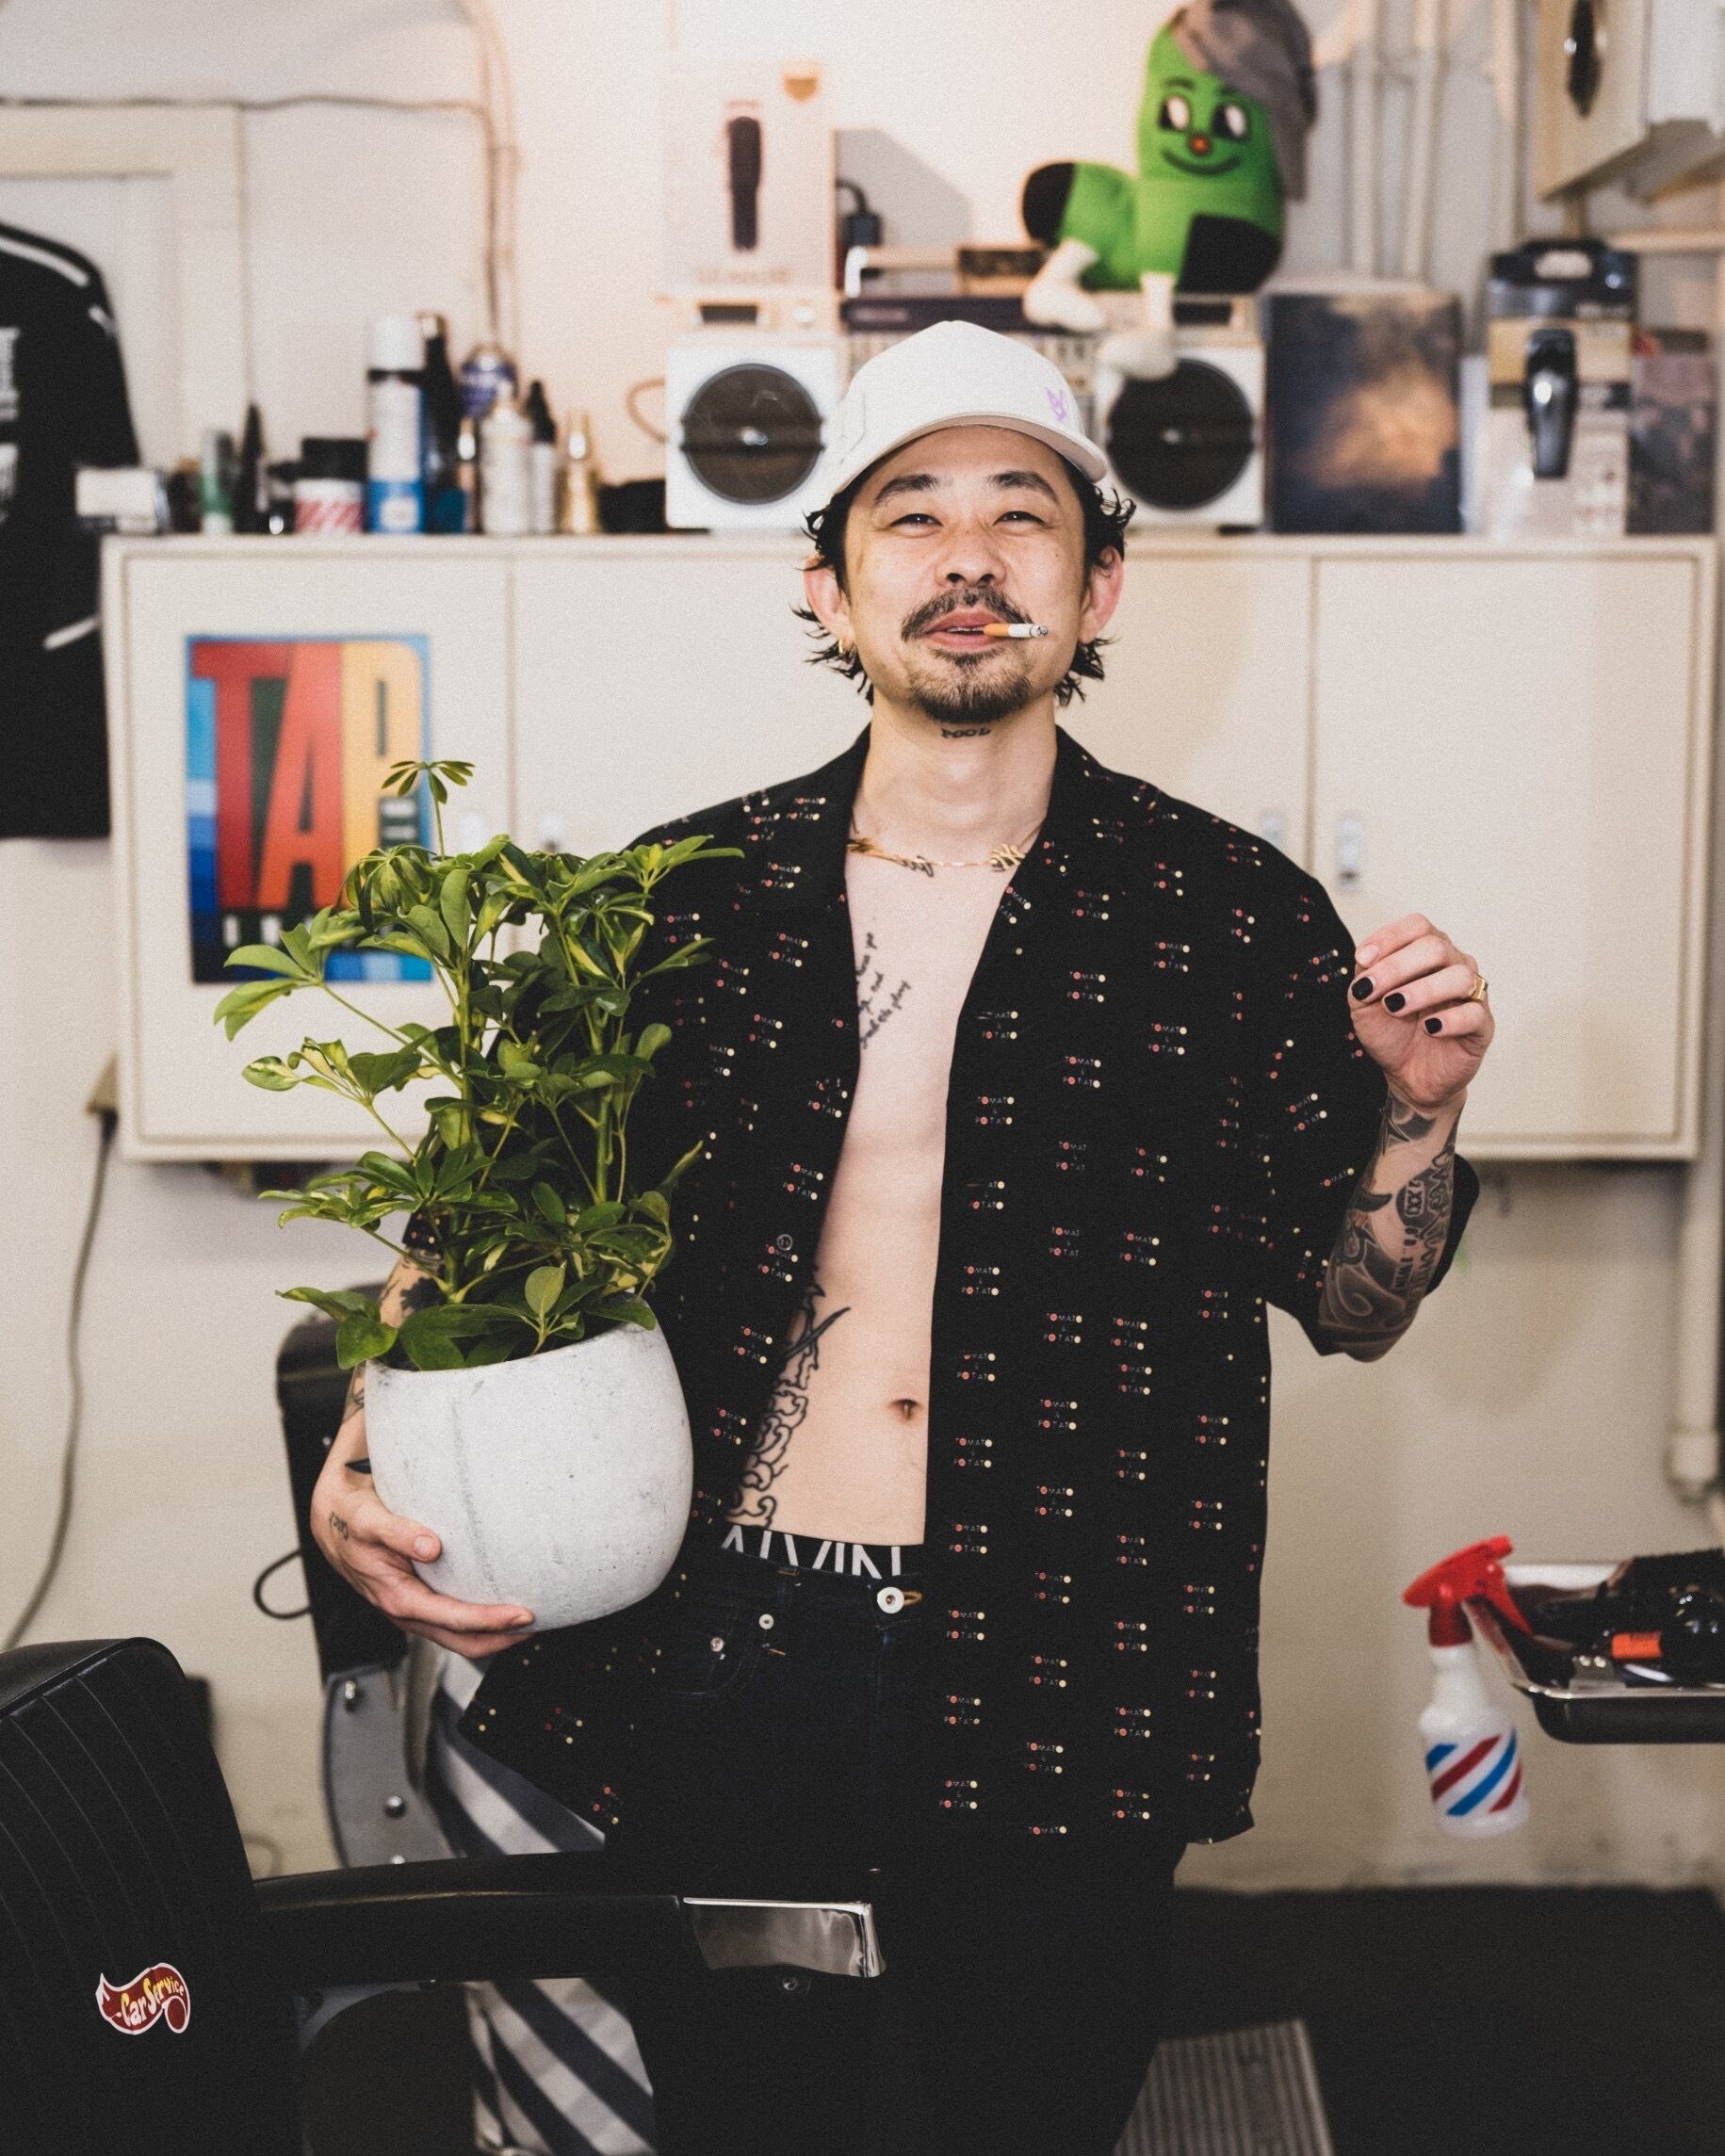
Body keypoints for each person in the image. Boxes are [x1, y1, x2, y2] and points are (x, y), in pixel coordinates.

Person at [311, 320, 1489, 2156]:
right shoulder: (675, 901)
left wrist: (1419, 1111)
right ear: (829, 586)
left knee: (1035, 2112)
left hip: (1078, 1648)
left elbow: (1354, 1301)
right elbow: (473, 1223)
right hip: (733, 1646)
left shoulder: (1228, 915)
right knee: (745, 2118)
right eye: (911, 515)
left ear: (1100, 585)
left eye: (1020, 515)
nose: (966, 558)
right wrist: (363, 1446)